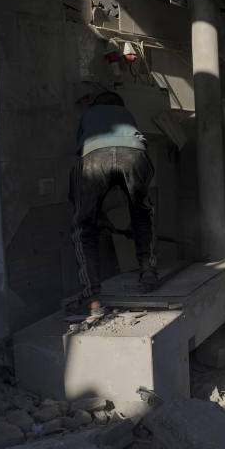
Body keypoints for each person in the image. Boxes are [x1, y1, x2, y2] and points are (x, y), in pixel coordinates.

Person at [70, 91, 157, 319]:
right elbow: (120, 151)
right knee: (141, 211)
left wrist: (94, 213)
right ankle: (148, 271)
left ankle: (92, 296)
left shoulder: (87, 116)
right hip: (135, 154)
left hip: (94, 158)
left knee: (83, 227)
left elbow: (81, 161)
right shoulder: (126, 115)